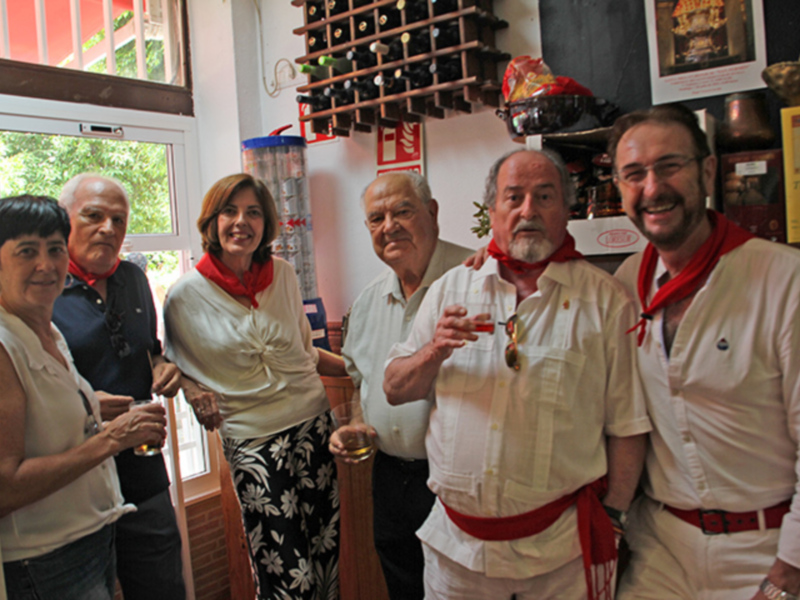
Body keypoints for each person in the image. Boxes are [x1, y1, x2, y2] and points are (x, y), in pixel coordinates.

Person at [382, 149, 651, 600]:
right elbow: (394, 388)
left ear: (566, 209)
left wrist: (614, 519)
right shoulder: (450, 289)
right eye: (514, 197)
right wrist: (434, 351)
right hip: (455, 556)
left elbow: (628, 427)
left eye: (544, 197)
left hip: (561, 558)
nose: (528, 210)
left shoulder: (606, 301)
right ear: (492, 212)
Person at [609, 104, 800, 600]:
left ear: (708, 170)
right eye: (634, 174)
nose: (653, 188)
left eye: (670, 166)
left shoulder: (785, 280)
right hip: (661, 549)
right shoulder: (625, 282)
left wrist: (789, 571)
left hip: (767, 549)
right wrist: (491, 263)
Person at [163, 173, 345, 600]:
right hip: (253, 440)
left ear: (267, 223)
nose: (241, 221)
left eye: (253, 212)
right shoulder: (184, 296)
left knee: (325, 559)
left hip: (314, 426)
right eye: (229, 211)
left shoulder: (283, 275)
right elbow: (170, 366)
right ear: (212, 221)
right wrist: (192, 390)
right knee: (286, 572)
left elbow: (306, 352)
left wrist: (362, 371)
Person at [0, 195, 167, 600]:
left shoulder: (47, 333)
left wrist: (90, 404)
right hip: (45, 558)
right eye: (27, 252)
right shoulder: (5, 346)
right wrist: (111, 439)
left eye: (55, 249)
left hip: (92, 537)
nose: (46, 265)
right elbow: (5, 487)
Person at [331, 171, 472, 599]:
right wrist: (357, 422)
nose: (388, 227)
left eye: (402, 212)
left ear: (432, 213)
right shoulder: (367, 301)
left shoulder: (476, 278)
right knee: (403, 588)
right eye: (376, 219)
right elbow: (360, 379)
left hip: (458, 481)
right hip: (391, 478)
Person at [53, 174, 186, 600]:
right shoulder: (43, 289)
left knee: (164, 588)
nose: (108, 228)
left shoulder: (133, 278)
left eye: (118, 220)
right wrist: (86, 402)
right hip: (76, 485)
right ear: (64, 219)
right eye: (93, 216)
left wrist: (164, 368)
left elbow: (150, 351)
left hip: (144, 474)